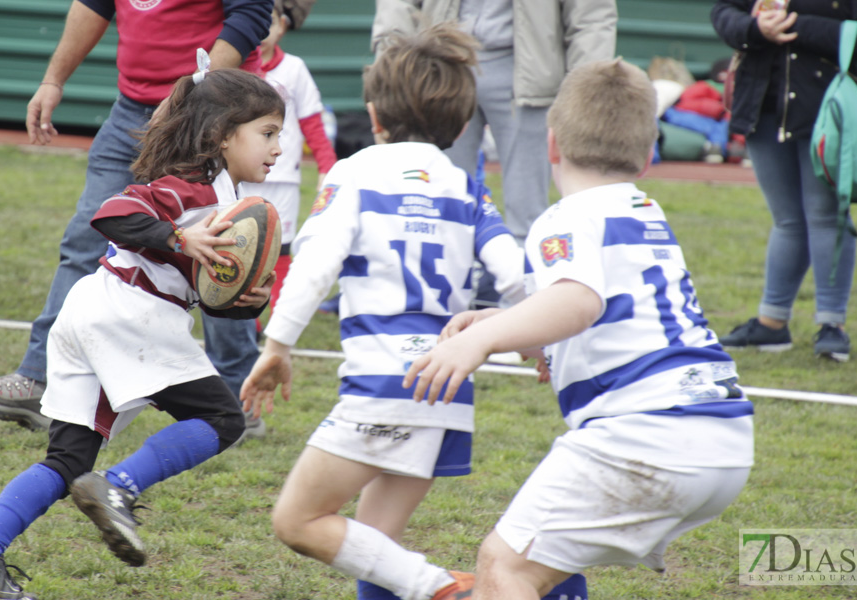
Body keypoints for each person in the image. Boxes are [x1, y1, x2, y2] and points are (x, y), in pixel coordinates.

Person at [241, 23, 587, 600]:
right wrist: (541, 344)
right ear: (459, 121)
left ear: (374, 115)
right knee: (376, 550)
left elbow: (314, 264)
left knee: (296, 522)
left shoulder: (352, 173)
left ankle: (448, 591)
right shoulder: (465, 187)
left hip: (383, 384)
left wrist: (276, 346)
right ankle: (549, 590)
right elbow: (517, 274)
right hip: (447, 391)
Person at [403, 59, 754, 600]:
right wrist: (511, 323)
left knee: (506, 567)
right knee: (549, 565)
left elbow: (577, 300)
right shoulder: (643, 210)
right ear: (648, 152)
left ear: (551, 145)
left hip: (647, 434)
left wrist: (481, 339)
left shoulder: (564, 217)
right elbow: (605, 307)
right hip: (722, 435)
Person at [0, 67, 284, 600]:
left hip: (94, 314)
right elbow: (114, 212)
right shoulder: (189, 187)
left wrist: (244, 302)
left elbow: (205, 294)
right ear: (222, 134)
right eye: (267, 132)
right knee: (222, 419)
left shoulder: (221, 199)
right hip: (130, 316)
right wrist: (178, 235)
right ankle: (119, 488)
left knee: (68, 462)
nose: (279, 148)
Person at [0, 0, 274, 436]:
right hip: (133, 107)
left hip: (214, 117)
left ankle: (238, 394)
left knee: (223, 246)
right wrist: (53, 79)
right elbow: (93, 5)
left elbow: (250, 16)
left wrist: (189, 98)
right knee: (85, 236)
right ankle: (37, 378)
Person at [372, 0, 616, 308]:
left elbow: (591, 14)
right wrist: (389, 56)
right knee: (427, 200)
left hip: (529, 66)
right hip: (439, 64)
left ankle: (520, 319)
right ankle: (425, 303)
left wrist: (585, 85)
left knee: (526, 211)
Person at [711, 0, 857, 363]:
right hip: (762, 103)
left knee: (826, 215)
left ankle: (833, 325)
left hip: (830, 107)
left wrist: (795, 24)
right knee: (786, 219)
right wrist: (756, 29)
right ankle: (772, 323)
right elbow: (723, 12)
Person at [239, 2, 338, 312]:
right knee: (241, 245)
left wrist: (328, 165)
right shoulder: (236, 66)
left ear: (282, 26)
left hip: (282, 179)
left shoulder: (294, 69)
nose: (262, 30)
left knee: (280, 248)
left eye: (267, 23)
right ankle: (244, 318)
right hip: (241, 176)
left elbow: (312, 122)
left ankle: (278, 313)